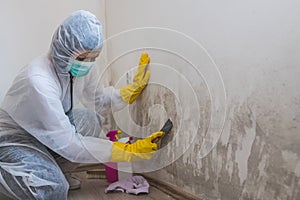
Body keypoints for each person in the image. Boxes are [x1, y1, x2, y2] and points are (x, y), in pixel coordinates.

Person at [0, 10, 163, 200]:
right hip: (16, 139)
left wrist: (129, 92)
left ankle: (56, 171)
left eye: (94, 57)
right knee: (52, 189)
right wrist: (126, 151)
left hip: (45, 135)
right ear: (63, 49)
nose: (88, 63)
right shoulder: (38, 80)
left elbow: (99, 99)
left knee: (90, 120)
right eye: (83, 58)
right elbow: (68, 143)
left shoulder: (81, 67)